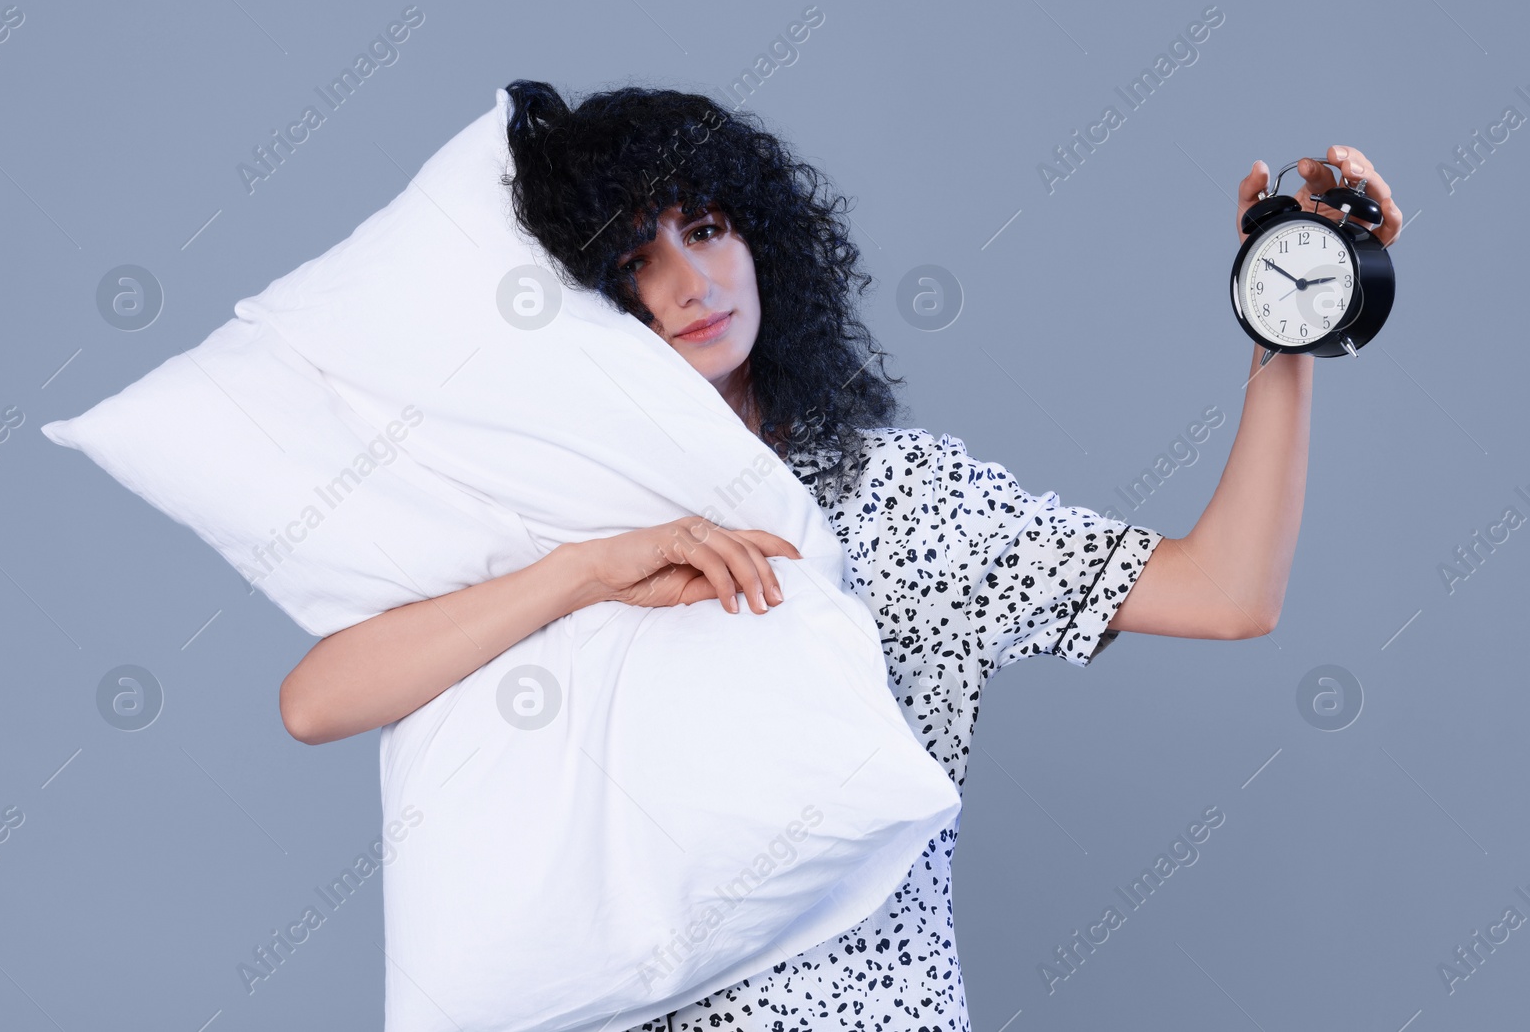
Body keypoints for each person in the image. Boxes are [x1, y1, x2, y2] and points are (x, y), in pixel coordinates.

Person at [278, 79, 1402, 1029]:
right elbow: (318, 700)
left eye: (707, 227)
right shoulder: (555, 513)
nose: (689, 282)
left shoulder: (892, 495)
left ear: (763, 237)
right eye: (633, 257)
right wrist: (585, 570)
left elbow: (1227, 591)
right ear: (581, 302)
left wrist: (1290, 330)